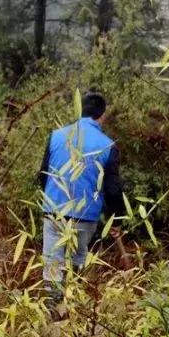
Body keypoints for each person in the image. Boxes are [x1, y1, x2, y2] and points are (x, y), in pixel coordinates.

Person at [37, 91, 124, 309]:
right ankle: (73, 311)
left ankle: (52, 314)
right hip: (85, 218)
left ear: (80, 110)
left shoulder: (56, 135)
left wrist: (51, 201)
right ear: (102, 116)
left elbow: (43, 174)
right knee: (76, 265)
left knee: (53, 266)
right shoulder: (108, 146)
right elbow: (113, 190)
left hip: (54, 213)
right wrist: (116, 220)